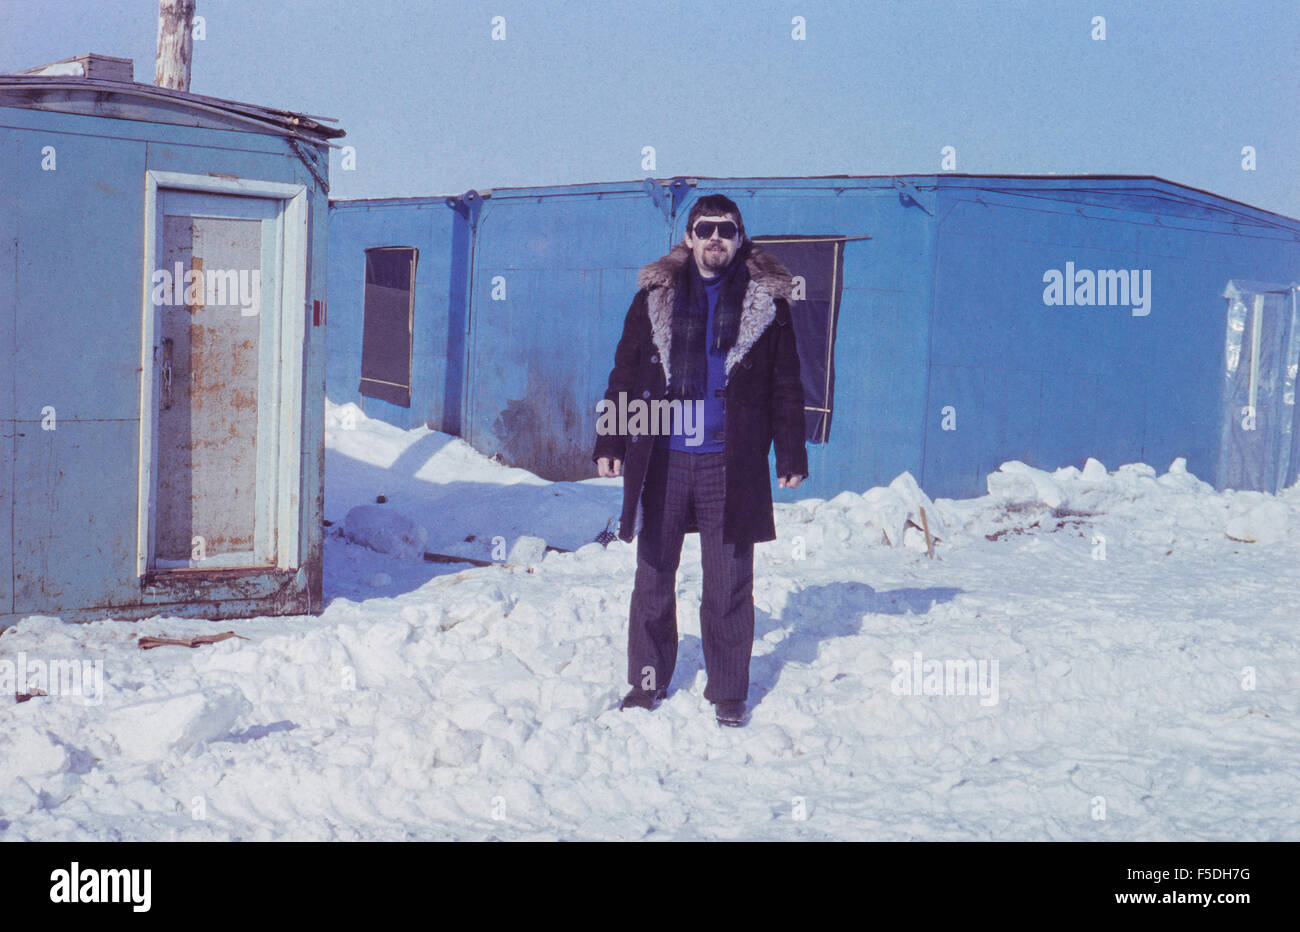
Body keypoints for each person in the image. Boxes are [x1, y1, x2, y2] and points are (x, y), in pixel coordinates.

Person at [593, 194, 808, 727]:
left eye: (727, 230)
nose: (716, 238)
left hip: (729, 461)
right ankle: (647, 682)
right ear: (688, 238)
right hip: (663, 456)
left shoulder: (767, 305)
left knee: (729, 579)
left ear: (740, 240)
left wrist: (792, 450)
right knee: (653, 573)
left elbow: (786, 383)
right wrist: (610, 441)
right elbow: (625, 373)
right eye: (705, 228)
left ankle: (729, 690)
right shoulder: (654, 299)